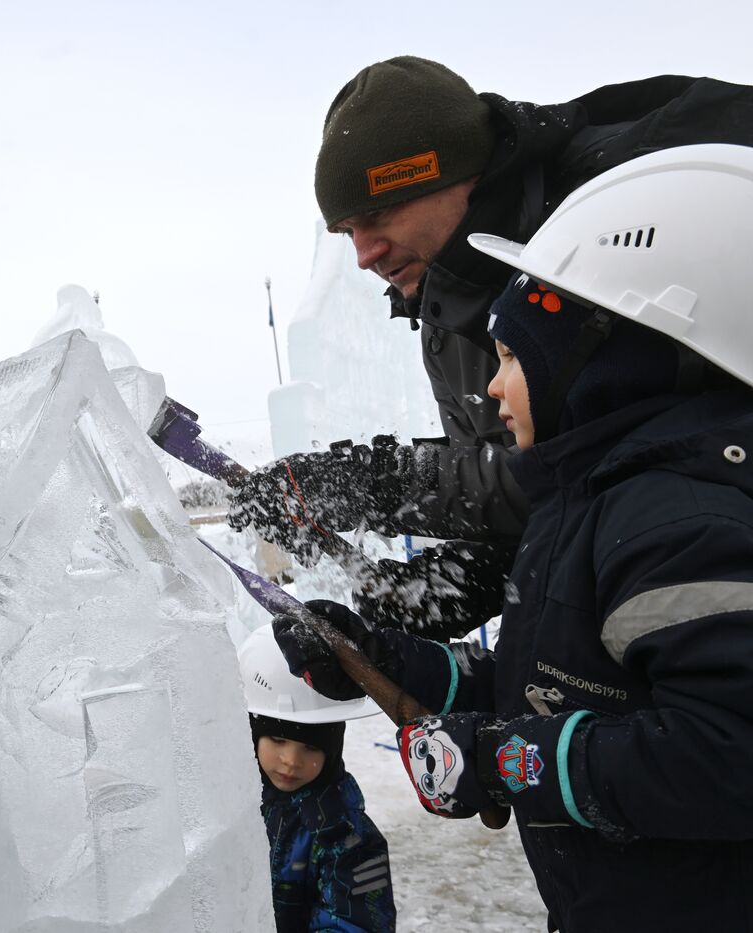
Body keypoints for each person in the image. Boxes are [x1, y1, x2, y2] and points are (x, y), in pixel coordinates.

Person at [276, 145, 753, 930]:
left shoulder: (679, 518)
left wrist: (509, 762)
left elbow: (730, 748)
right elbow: (548, 681)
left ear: (601, 358)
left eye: (508, 355)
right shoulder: (581, 502)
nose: (492, 387)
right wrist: (388, 660)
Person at [229, 57, 753, 636]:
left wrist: (372, 482)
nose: (364, 253)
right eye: (347, 231)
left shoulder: (607, 240)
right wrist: (433, 594)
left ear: (456, 173)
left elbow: (596, 464)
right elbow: (526, 508)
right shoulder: (442, 315)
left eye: (377, 215)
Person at [238, 625, 395, 932]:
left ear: (333, 750)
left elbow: (356, 923)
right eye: (277, 740)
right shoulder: (232, 802)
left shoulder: (346, 835)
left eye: (311, 747)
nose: (291, 761)